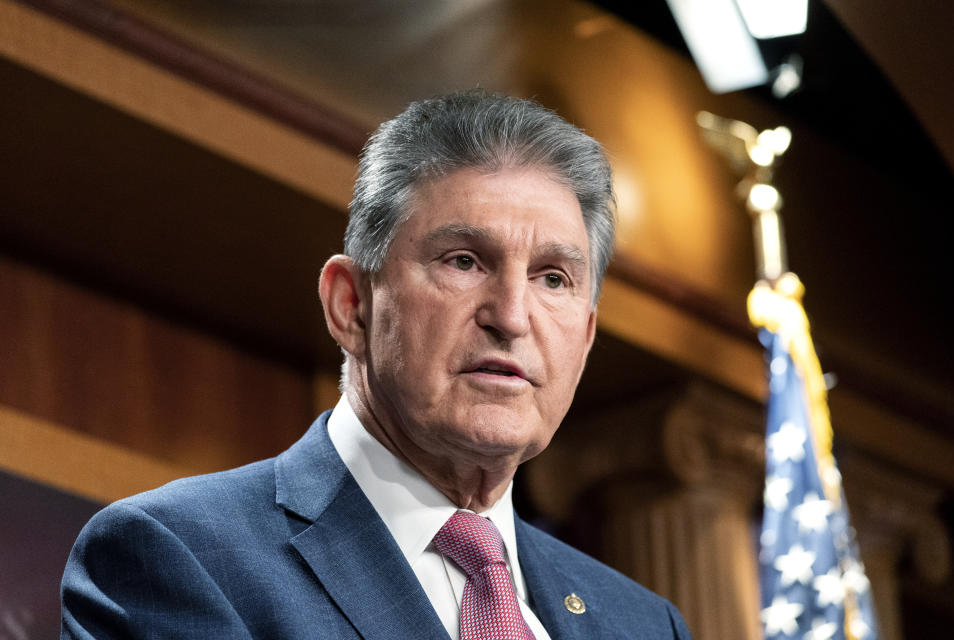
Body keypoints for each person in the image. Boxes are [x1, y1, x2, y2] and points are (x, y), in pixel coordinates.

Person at [61, 91, 692, 639]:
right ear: (352, 304)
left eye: (553, 278)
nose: (512, 316)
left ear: (584, 339)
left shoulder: (643, 624)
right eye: (463, 261)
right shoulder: (181, 557)